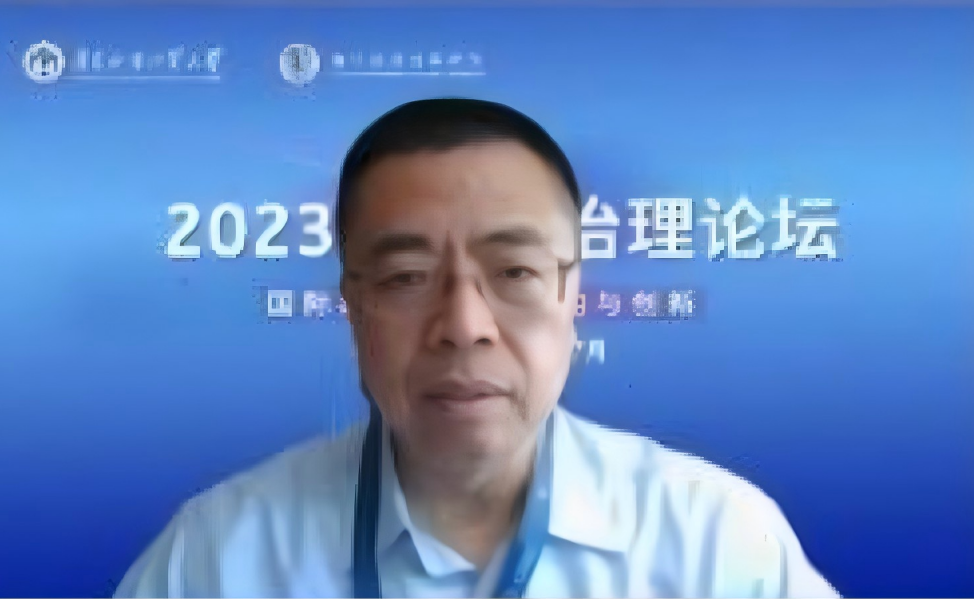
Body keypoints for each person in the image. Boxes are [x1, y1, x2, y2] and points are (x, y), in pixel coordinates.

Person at [115, 98, 840, 599]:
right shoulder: (219, 558)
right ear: (352, 305)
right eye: (406, 277)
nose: (464, 325)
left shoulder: (716, 542)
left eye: (515, 272)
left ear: (573, 294)